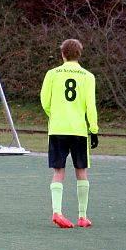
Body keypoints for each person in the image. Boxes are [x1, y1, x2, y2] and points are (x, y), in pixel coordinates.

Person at [40, 38, 98, 229]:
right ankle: (82, 216)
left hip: (57, 129)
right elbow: (91, 105)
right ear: (79, 54)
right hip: (79, 130)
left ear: (62, 54)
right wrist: (94, 129)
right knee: (81, 171)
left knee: (58, 171)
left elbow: (44, 101)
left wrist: (55, 115)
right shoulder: (88, 76)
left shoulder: (52, 74)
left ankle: (57, 212)